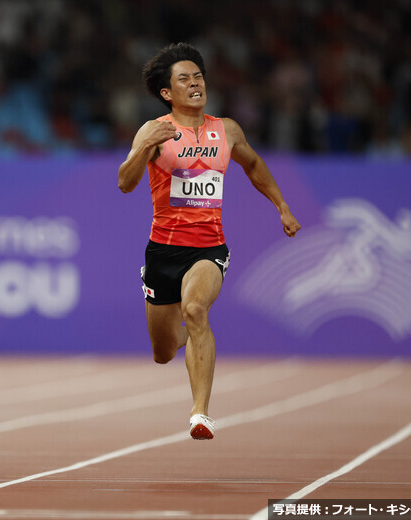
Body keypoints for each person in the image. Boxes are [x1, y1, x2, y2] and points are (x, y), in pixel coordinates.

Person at [117, 43, 300, 440]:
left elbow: (253, 165)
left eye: (198, 76)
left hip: (208, 248)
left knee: (197, 308)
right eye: (184, 79)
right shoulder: (154, 130)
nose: (195, 83)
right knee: (163, 352)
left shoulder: (227, 130)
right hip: (163, 250)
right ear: (168, 92)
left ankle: (200, 413)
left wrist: (282, 206)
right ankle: (183, 335)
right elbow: (125, 183)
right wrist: (147, 146)